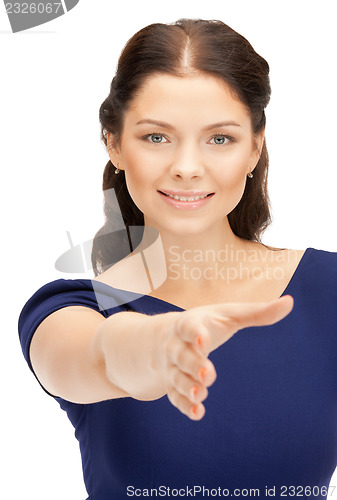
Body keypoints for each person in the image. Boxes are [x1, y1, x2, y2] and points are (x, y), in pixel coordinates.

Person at [18, 18, 337, 500]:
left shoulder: (330, 290)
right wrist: (152, 343)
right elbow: (94, 355)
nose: (187, 167)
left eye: (220, 138)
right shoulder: (71, 310)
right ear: (114, 143)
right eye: (157, 137)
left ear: (256, 147)